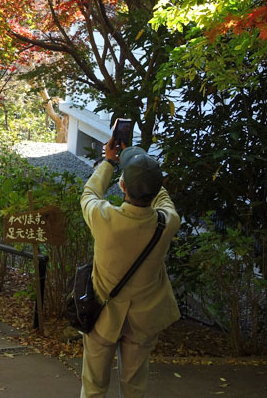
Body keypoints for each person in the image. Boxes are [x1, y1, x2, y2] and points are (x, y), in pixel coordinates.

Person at [79, 139, 181, 398]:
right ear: (158, 188)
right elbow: (161, 195)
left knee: (93, 387)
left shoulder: (104, 217)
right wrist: (144, 168)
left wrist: (110, 161)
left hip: (103, 315)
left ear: (122, 186)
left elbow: (89, 193)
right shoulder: (168, 222)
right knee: (135, 388)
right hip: (143, 319)